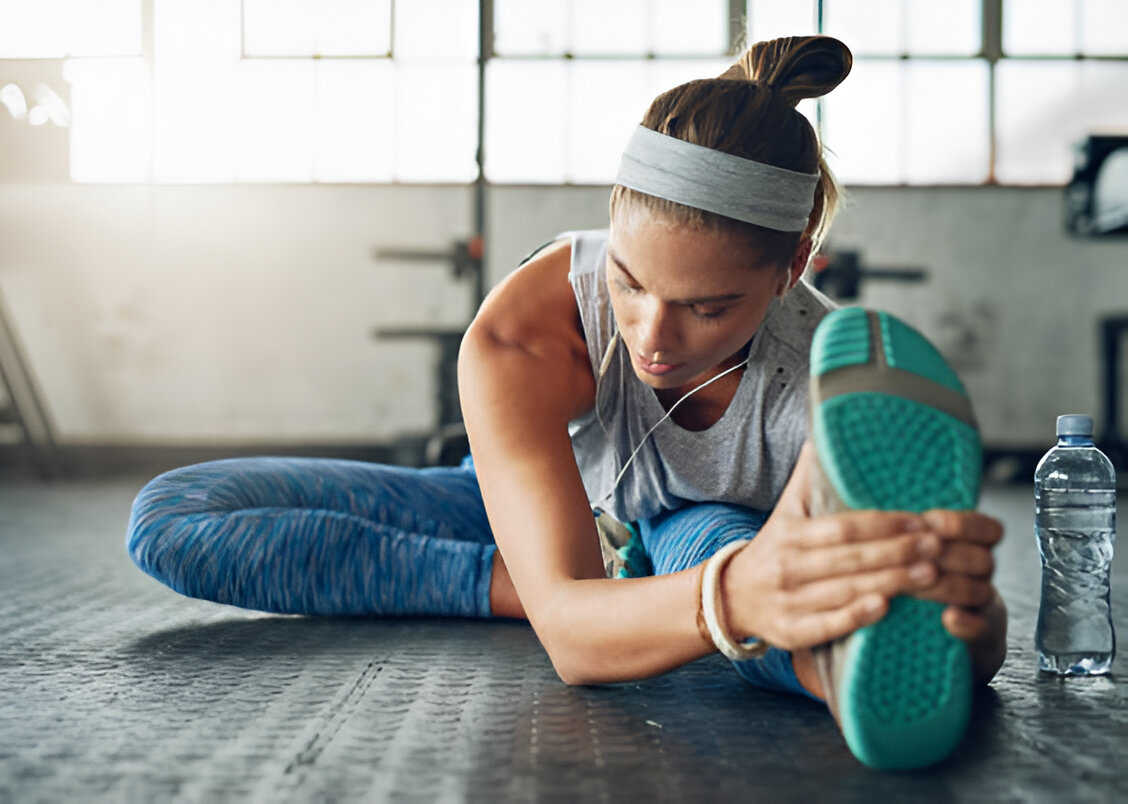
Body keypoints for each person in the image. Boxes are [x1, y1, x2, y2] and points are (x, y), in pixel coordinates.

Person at [126, 35, 1007, 770]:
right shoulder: (525, 328)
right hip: (527, 510)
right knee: (173, 517)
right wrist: (578, 597)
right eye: (629, 283)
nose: (654, 337)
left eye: (708, 308)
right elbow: (577, 646)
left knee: (745, 562)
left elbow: (830, 582)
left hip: (706, 537)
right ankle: (567, 588)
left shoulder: (826, 381)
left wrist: (966, 619)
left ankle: (827, 663)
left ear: (795, 260)